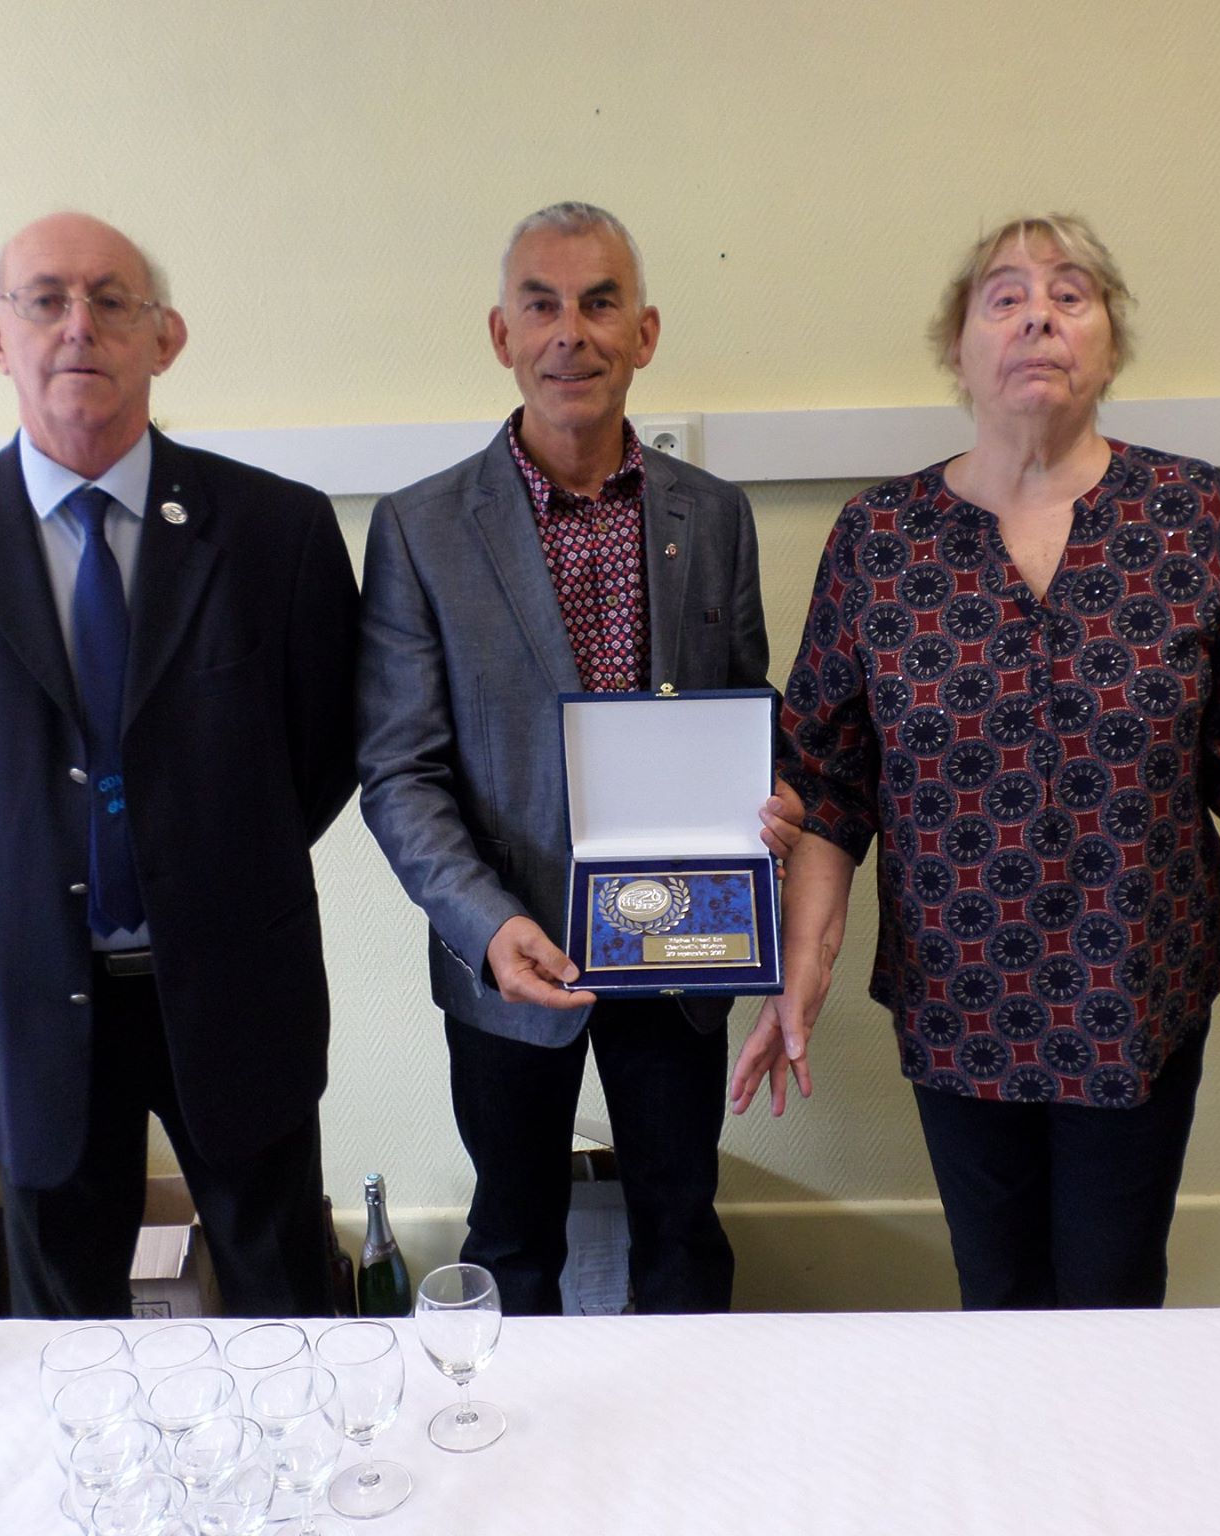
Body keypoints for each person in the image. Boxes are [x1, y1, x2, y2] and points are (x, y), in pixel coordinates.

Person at [732, 213, 1220, 1310]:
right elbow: (825, 781)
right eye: (1002, 297)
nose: (1038, 315)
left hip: (1134, 985)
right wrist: (799, 968)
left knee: (1111, 1290)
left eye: (1070, 293)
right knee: (996, 1295)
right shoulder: (878, 537)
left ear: (1108, 344)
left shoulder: (1188, 513)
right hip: (955, 999)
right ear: (955, 350)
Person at [0, 212, 357, 1318]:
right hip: (33, 987)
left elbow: (320, 757)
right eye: (45, 299)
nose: (79, 326)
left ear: (163, 337)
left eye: (112, 300)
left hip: (233, 979)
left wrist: (189, 858)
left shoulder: (279, 532)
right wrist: (40, 856)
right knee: (63, 1328)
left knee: (283, 1294)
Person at [356, 201, 801, 1315]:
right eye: (541, 305)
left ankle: (683, 1467)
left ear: (643, 333)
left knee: (680, 1226)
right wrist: (484, 925)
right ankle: (524, 1473)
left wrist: (775, 799)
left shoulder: (712, 514)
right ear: (500, 335)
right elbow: (398, 770)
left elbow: (744, 716)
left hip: (682, 947)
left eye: (600, 303)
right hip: (510, 955)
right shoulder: (419, 530)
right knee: (511, 1239)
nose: (572, 333)